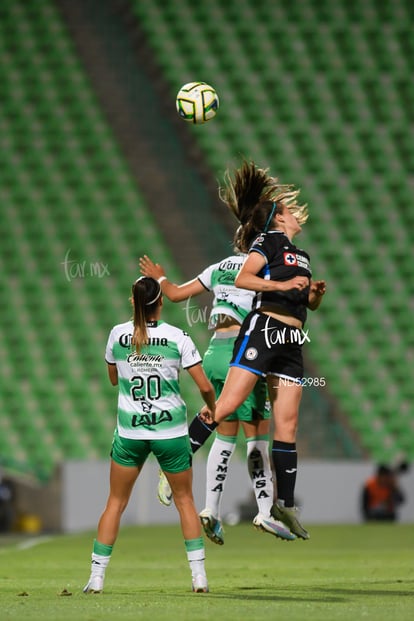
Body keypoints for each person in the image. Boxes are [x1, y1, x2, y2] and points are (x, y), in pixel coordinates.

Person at [139, 161, 295, 545]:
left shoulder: (220, 267)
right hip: (245, 355)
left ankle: (210, 507)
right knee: (255, 436)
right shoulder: (265, 269)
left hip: (214, 355)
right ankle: (263, 511)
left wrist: (160, 276)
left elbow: (174, 294)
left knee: (225, 435)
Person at [192, 175, 327, 540]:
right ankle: (179, 454)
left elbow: (304, 304)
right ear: (279, 218)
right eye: (289, 211)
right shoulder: (266, 241)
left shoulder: (303, 256)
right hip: (263, 330)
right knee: (226, 405)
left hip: (291, 339)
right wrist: (281, 285)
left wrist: (314, 296)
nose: (298, 215)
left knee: (288, 426)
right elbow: (245, 280)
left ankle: (284, 505)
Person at [83, 276, 215, 594]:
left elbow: (114, 379)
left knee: (115, 503)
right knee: (185, 501)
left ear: (133, 301)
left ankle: (96, 578)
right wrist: (213, 407)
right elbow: (205, 386)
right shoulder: (177, 337)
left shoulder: (117, 334)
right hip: (170, 432)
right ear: (161, 301)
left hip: (131, 431)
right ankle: (199, 578)